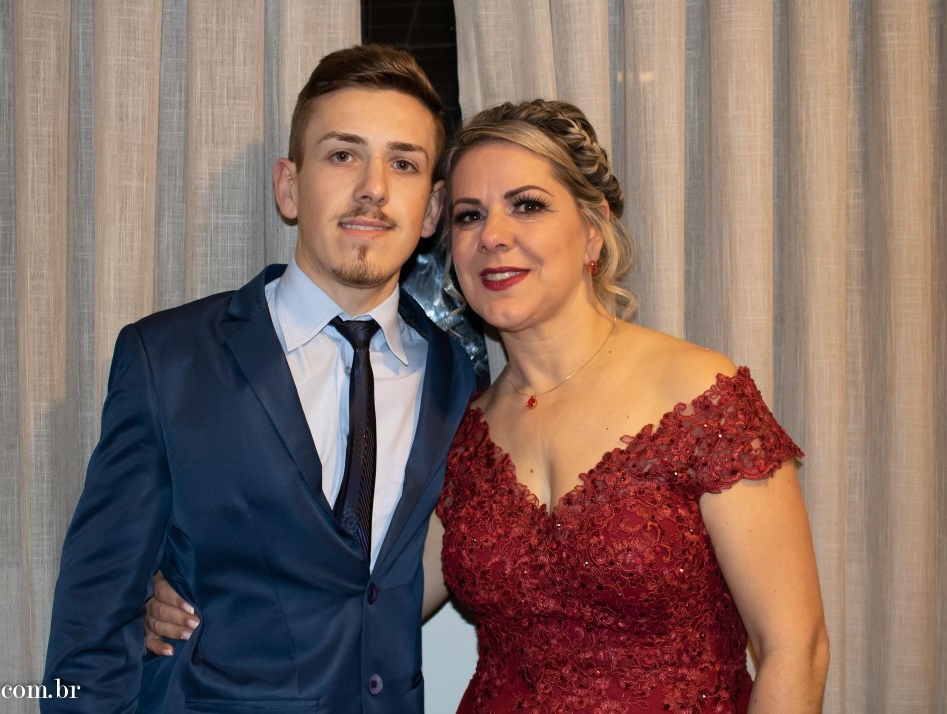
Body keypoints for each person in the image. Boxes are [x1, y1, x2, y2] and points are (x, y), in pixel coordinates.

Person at [148, 99, 830, 712]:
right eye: (470, 215)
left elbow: (795, 650)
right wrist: (195, 593)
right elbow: (365, 601)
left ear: (593, 231)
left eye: (526, 205)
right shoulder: (461, 428)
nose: (493, 236)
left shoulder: (701, 396)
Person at [42, 44, 475, 713]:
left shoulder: (458, 380)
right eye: (343, 155)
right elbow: (91, 630)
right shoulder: (167, 360)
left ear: (432, 209)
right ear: (289, 187)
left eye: (403, 163)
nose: (373, 187)